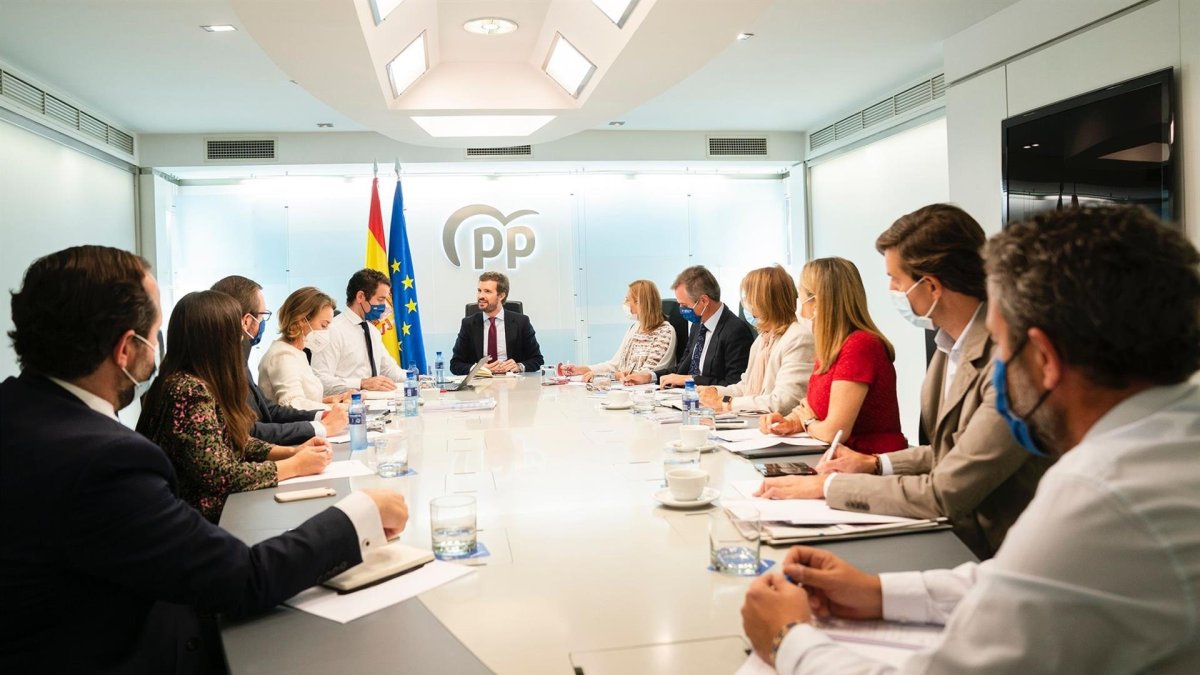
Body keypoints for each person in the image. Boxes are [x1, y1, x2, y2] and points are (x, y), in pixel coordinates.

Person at [741, 206, 1200, 673]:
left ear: (1044, 358)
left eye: (1003, 345)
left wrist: (787, 638)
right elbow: (1018, 580)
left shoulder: (1097, 495)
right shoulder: (1165, 443)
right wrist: (879, 593)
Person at [1, 245, 409, 673]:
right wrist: (358, 515)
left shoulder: (19, 414)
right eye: (154, 333)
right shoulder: (104, 462)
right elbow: (241, 579)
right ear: (126, 348)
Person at [754, 205, 1051, 558]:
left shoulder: (1009, 360)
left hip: (994, 547)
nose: (891, 289)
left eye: (896, 279)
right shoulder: (947, 347)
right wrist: (877, 464)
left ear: (932, 286)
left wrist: (829, 487)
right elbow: (954, 451)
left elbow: (945, 491)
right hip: (950, 530)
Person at [137, 290, 335, 522]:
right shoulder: (188, 390)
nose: (241, 341)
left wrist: (293, 452)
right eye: (236, 334)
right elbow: (219, 474)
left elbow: (235, 441)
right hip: (200, 521)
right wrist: (295, 465)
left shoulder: (196, 380)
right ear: (217, 341)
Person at [759, 258, 906, 454]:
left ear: (817, 302)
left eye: (801, 300)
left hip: (867, 460)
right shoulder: (831, 348)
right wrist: (791, 422)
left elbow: (834, 431)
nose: (801, 311)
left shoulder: (860, 346)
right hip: (836, 457)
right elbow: (811, 407)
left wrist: (808, 422)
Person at [211, 275, 347, 444]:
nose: (327, 332)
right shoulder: (280, 355)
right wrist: (324, 422)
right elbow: (254, 428)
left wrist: (325, 411)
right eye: (262, 316)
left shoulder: (241, 358)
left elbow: (268, 409)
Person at [697, 265, 814, 413]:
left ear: (765, 301)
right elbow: (746, 387)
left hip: (778, 422)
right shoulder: (763, 339)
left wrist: (727, 403)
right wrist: (715, 391)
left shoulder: (798, 339)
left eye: (749, 297)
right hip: (756, 419)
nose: (746, 302)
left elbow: (784, 401)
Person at [622, 265, 753, 387]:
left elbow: (734, 384)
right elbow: (681, 369)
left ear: (704, 301)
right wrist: (650, 376)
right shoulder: (697, 326)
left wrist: (691, 380)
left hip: (710, 401)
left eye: (684, 305)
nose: (680, 309)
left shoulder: (735, 330)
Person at [312, 268, 409, 393]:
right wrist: (361, 383)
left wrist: (419, 379)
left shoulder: (373, 331)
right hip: (345, 402)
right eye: (380, 299)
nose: (384, 306)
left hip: (375, 401)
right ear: (360, 297)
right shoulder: (332, 330)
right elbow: (320, 381)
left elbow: (390, 370)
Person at [258, 286, 354, 411]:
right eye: (323, 325)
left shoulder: (298, 352)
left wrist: (330, 401)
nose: (327, 332)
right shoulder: (283, 356)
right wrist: (337, 408)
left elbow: (304, 398)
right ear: (302, 320)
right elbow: (292, 404)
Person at [562, 279, 676, 382]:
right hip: (625, 388)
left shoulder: (665, 332)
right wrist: (580, 370)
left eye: (627, 299)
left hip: (645, 392)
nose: (625, 303)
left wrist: (606, 376)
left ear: (639, 303)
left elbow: (645, 375)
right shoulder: (635, 328)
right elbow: (615, 365)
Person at [449, 271, 545, 375]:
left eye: (487, 291)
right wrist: (477, 369)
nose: (481, 296)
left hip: (513, 382)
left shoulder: (521, 322)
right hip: (480, 383)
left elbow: (538, 360)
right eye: (479, 291)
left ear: (501, 295)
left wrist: (519, 366)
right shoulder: (468, 324)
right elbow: (455, 364)